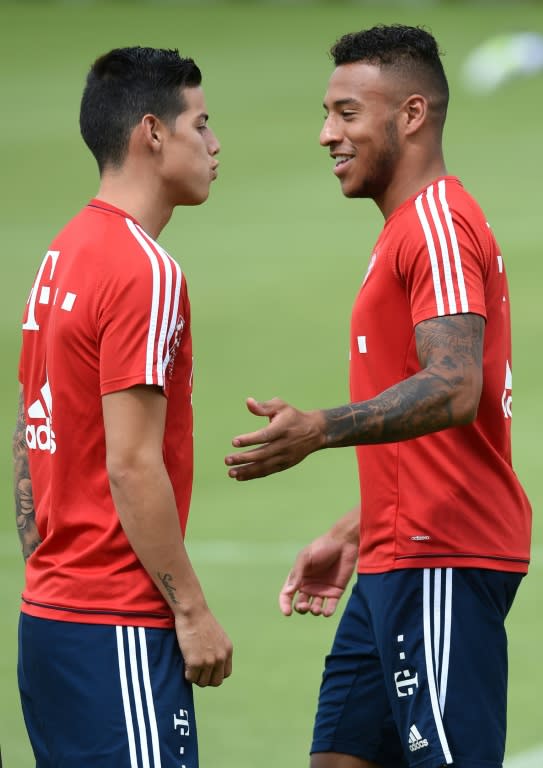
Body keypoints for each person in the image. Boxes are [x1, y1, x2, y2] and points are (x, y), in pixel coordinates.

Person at [225, 24, 531, 768]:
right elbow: (441, 425)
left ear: (411, 115)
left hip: (441, 559)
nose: (327, 134)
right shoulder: (405, 230)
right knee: (339, 757)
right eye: (327, 114)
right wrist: (358, 529)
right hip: (399, 552)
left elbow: (454, 386)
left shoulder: (433, 225)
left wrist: (319, 429)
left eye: (346, 113)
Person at [13, 46, 233, 768]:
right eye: (200, 123)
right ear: (152, 133)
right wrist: (191, 611)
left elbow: (28, 429)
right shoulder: (145, 270)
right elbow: (133, 463)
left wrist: (49, 568)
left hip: (49, 618)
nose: (214, 143)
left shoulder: (62, 253)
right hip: (118, 625)